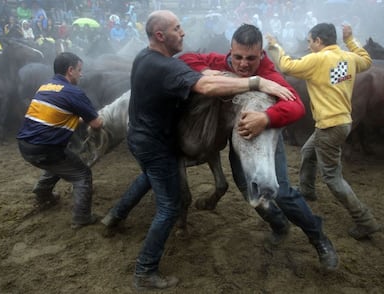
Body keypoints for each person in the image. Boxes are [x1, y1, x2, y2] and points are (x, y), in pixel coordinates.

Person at [100, 10, 298, 291]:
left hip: (142, 138)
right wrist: (257, 82)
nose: (183, 32)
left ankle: (114, 216)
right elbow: (205, 85)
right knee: (169, 206)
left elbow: (198, 65)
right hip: (156, 143)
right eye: (177, 28)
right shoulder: (164, 66)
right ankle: (145, 270)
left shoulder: (146, 57)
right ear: (160, 36)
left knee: (149, 177)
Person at [179, 23, 338, 271]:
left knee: (281, 192)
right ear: (230, 50)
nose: (243, 64)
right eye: (238, 57)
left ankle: (319, 239)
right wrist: (211, 73)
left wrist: (266, 118)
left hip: (263, 139)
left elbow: (296, 106)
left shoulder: (270, 73)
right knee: (246, 188)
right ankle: (278, 225)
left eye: (251, 59)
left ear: (261, 54)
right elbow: (186, 58)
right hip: (236, 138)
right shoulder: (224, 61)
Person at [268, 23, 381, 240]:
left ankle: (364, 220)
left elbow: (286, 66)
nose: (309, 46)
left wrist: (275, 45)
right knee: (308, 152)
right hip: (341, 123)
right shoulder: (348, 57)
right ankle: (307, 189)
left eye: (310, 41)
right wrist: (350, 39)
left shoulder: (317, 59)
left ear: (319, 41)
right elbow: (367, 60)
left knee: (333, 177)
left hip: (329, 126)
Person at [17, 52, 103, 229]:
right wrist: (101, 118)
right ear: (70, 70)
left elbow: (58, 116)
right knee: (82, 174)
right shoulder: (74, 92)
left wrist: (79, 119)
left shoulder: (45, 87)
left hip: (25, 146)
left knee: (62, 161)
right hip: (45, 149)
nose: (81, 74)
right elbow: (96, 124)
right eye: (80, 70)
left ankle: (42, 192)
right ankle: (81, 217)